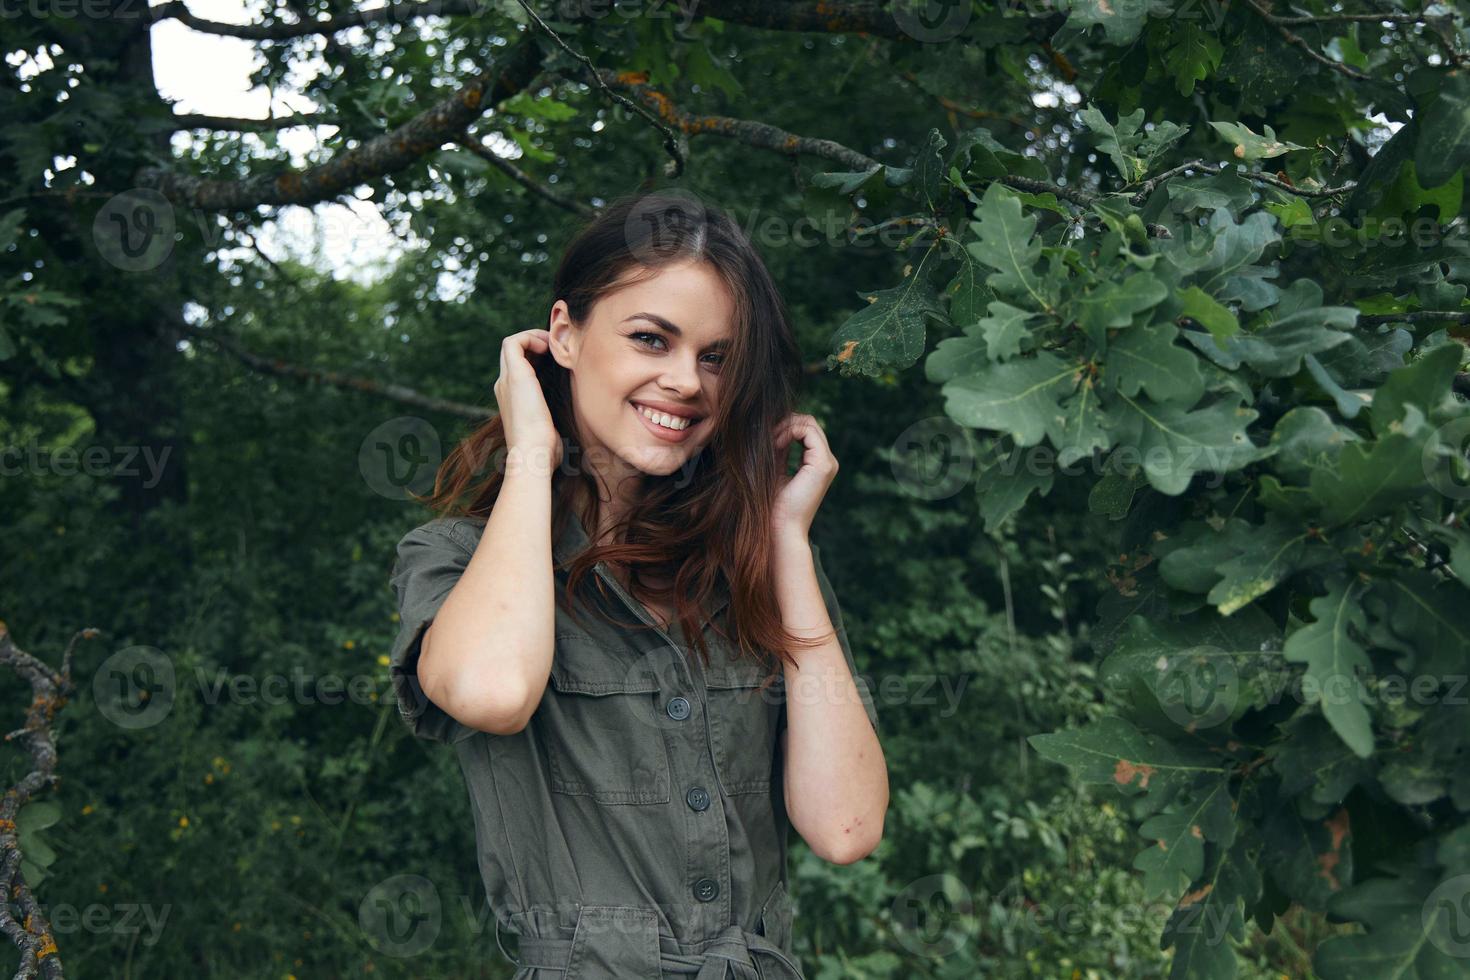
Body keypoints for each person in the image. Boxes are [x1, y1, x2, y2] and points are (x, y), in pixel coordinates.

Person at [387, 190, 888, 978]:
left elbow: (847, 826)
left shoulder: (756, 567)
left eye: (715, 356)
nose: (687, 381)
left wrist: (787, 540)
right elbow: (490, 693)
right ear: (565, 334)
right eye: (652, 339)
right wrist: (530, 455)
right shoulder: (453, 559)